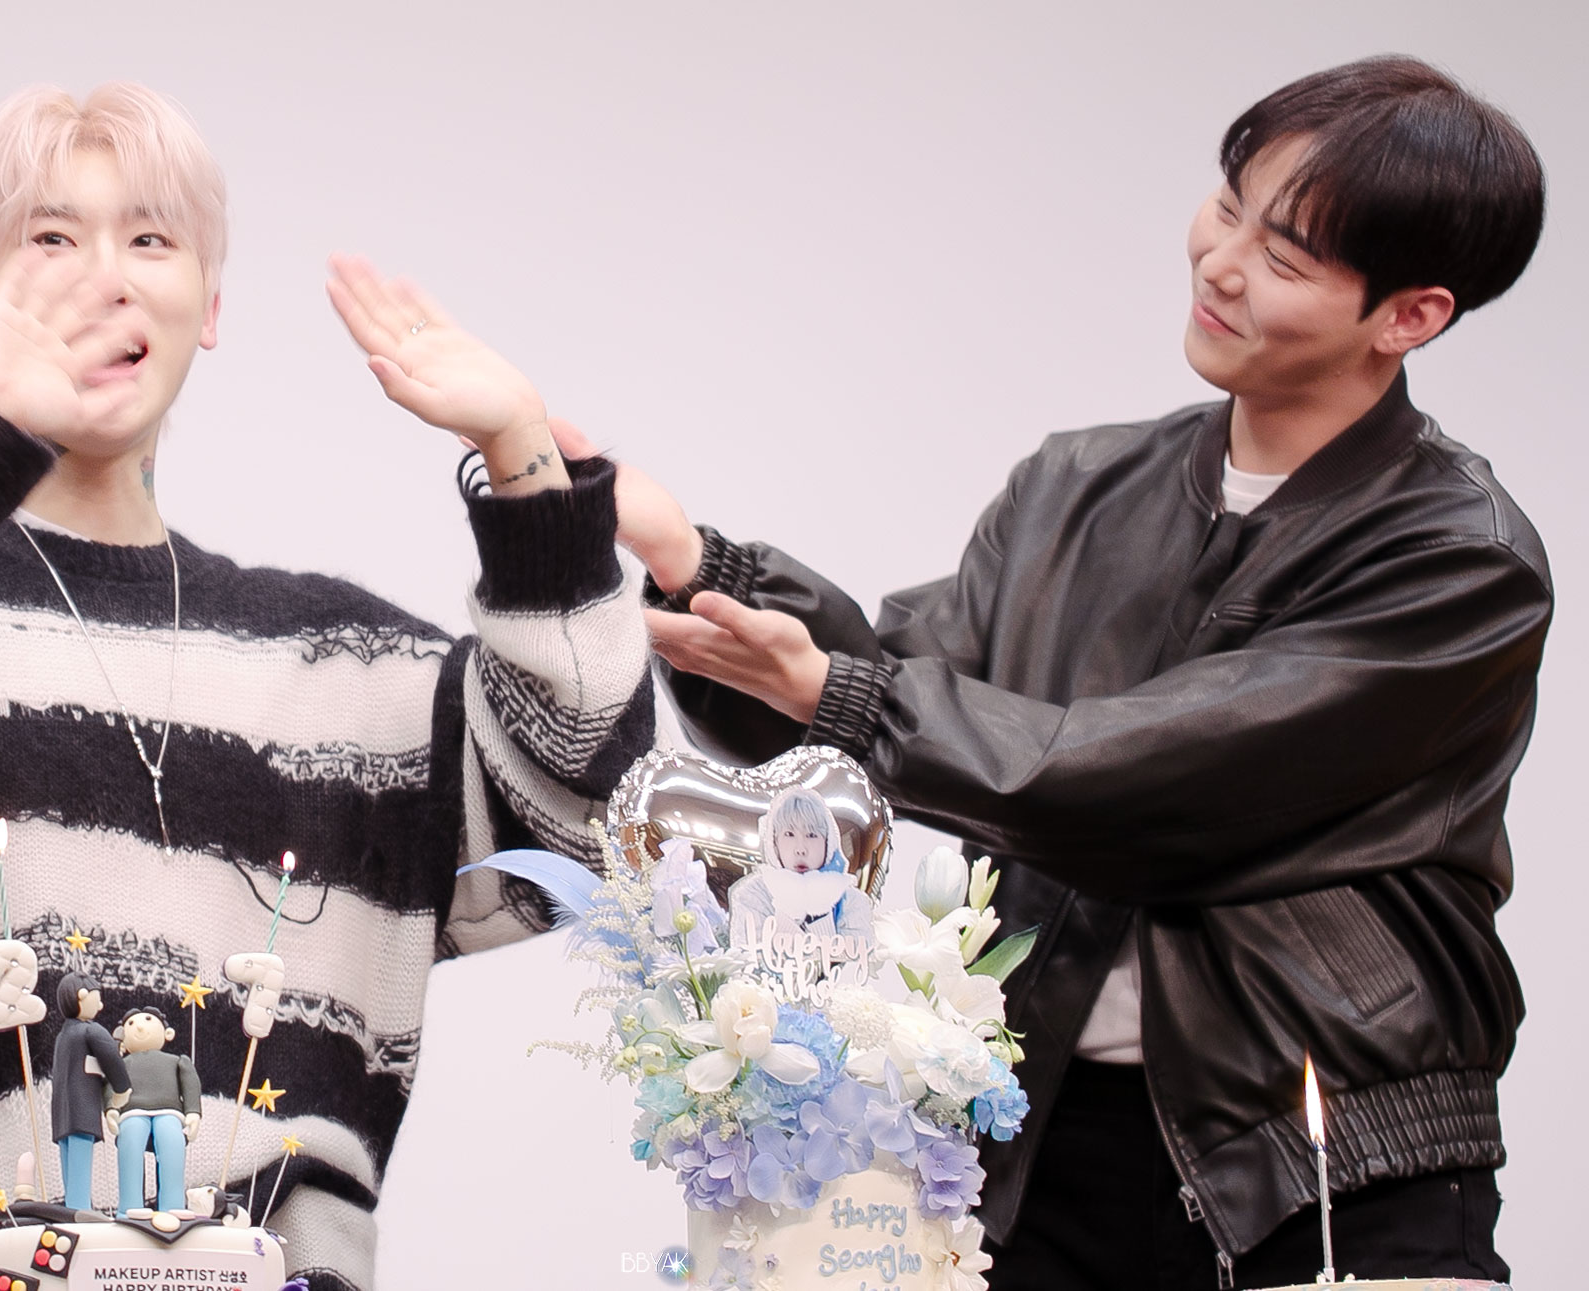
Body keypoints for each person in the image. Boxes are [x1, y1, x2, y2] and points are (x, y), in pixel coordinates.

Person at [577, 56, 1547, 1288]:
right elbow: (898, 696)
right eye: (1227, 205)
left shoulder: (1458, 559)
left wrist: (835, 690)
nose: (1220, 262)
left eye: (1284, 255)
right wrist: (698, 563)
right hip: (1044, 1145)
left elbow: (1146, 778)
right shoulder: (1076, 484)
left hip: (1324, 1162)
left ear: (1407, 316)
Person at [0, 84, 653, 1291]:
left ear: (210, 305)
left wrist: (525, 466)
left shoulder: (350, 674)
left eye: (149, 238)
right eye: (51, 238)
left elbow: (592, 830)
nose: (105, 278)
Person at [725, 787, 869, 946]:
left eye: (811, 835)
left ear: (828, 842)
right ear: (774, 841)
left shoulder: (852, 900)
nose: (800, 849)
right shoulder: (752, 894)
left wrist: (819, 913)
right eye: (789, 834)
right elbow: (748, 955)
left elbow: (857, 957)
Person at [104, 1005, 201, 1215]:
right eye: (131, 1024)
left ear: (168, 1033)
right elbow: (112, 1084)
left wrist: (193, 1112)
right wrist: (111, 1109)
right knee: (130, 1144)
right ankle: (130, 1207)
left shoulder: (177, 1061)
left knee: (172, 1143)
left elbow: (190, 1084)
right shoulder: (122, 1063)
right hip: (132, 1112)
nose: (139, 1027)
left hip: (170, 1112)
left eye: (148, 1020)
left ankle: (172, 1206)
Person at [50, 972, 131, 1212]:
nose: (101, 1005)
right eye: (98, 998)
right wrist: (121, 1089)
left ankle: (72, 1207)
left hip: (61, 1111)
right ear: (82, 996)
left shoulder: (62, 1036)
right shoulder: (92, 1030)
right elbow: (111, 1061)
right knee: (80, 1163)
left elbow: (84, 1064)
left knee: (69, 1163)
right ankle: (79, 1210)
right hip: (82, 1108)